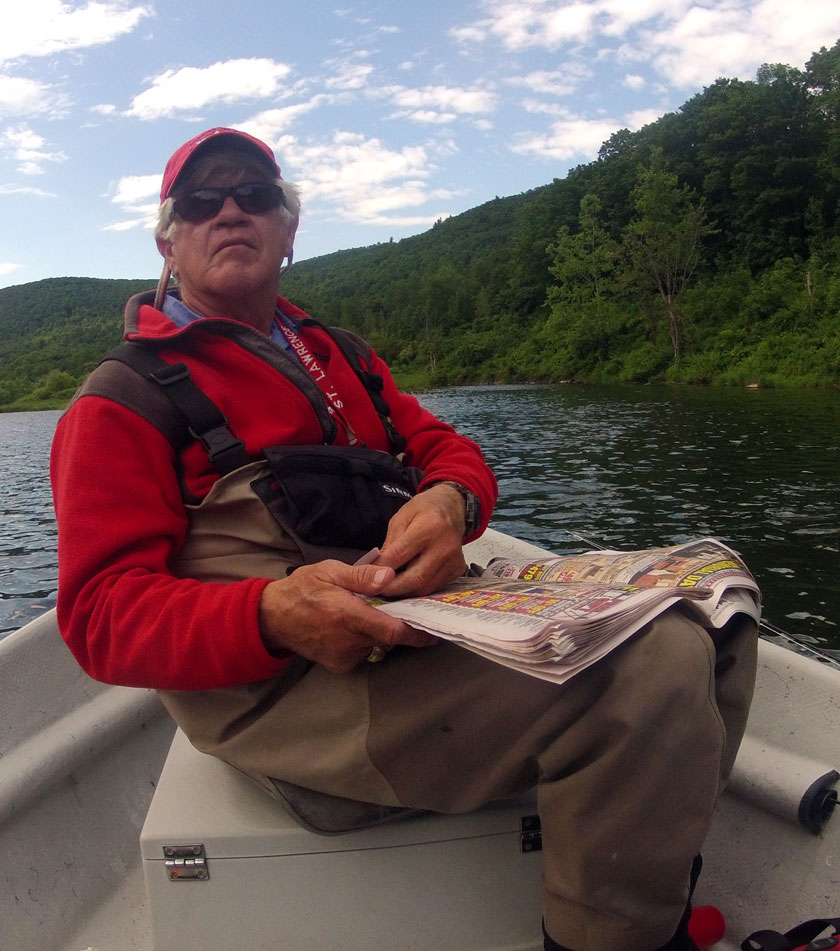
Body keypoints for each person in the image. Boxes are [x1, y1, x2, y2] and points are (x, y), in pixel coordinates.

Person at [50, 127, 757, 951]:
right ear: (167, 242)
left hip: (413, 635)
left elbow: (448, 451)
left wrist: (452, 501)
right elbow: (98, 616)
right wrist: (273, 613)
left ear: (288, 228)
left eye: (255, 195)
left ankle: (647, 906)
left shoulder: (340, 355)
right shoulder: (120, 400)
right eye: (202, 201)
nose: (230, 211)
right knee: (655, 665)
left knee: (716, 613)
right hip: (292, 702)